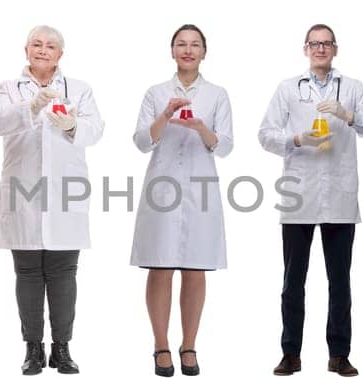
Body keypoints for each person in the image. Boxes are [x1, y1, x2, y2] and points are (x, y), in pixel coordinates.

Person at [259, 23, 363, 377]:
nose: (320, 49)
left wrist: (350, 116)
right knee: (292, 283)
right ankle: (291, 354)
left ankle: (339, 355)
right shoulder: (288, 89)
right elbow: (265, 135)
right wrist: (297, 139)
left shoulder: (352, 88)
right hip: (298, 195)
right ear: (305, 49)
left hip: (339, 196)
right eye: (314, 44)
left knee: (340, 282)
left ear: (335, 49)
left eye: (326, 43)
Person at [0, 24, 105, 376]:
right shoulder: (8, 89)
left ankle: (63, 349)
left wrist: (70, 124)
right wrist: (30, 105)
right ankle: (34, 349)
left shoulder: (79, 90)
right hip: (22, 193)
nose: (42, 50)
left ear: (60, 55)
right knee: (27, 273)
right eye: (36, 44)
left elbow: (95, 129)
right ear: (26, 51)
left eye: (50, 46)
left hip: (65, 194)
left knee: (64, 273)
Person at [132, 24, 235, 378]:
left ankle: (188, 344)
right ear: (172, 51)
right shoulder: (156, 92)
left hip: (200, 188)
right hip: (162, 188)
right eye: (181, 44)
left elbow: (226, 145)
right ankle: (161, 345)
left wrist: (201, 128)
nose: (188, 50)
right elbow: (142, 142)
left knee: (195, 267)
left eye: (194, 45)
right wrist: (166, 114)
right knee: (160, 265)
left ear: (204, 52)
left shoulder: (217, 94)